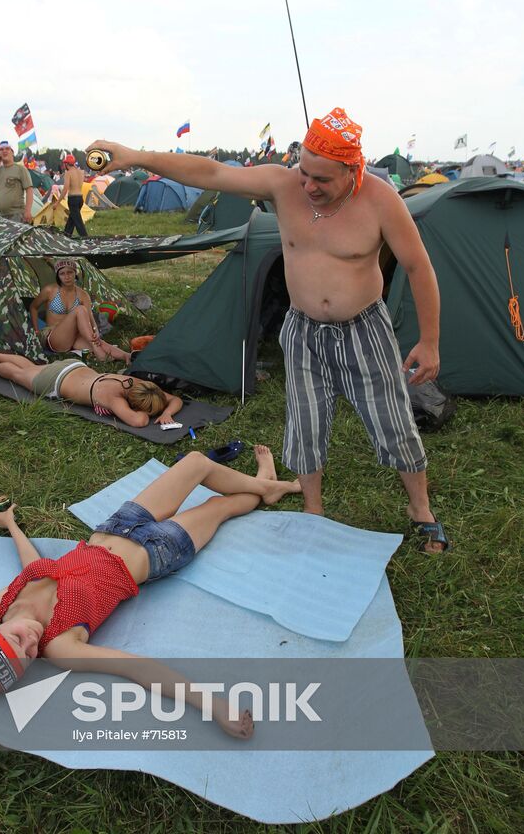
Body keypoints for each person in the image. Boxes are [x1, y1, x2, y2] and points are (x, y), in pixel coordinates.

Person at [87, 109, 448, 553]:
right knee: (305, 421)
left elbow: (418, 266)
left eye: (322, 179)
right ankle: (313, 511)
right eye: (304, 172)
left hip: (364, 329)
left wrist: (429, 341)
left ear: (352, 169)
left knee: (393, 419)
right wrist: (135, 156)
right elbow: (211, 173)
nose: (308, 186)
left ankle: (420, 510)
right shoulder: (283, 185)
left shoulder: (381, 200)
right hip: (303, 330)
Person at [0, 446, 302, 736]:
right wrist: (214, 706)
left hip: (117, 526)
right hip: (159, 550)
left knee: (196, 462)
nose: (31, 642)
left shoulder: (3, 600)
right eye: (28, 656)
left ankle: (265, 486)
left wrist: (11, 525)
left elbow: (31, 568)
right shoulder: (60, 647)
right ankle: (268, 487)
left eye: (18, 639)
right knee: (218, 506)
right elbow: (136, 669)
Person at [0, 347, 182, 427]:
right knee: (16, 374)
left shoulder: (139, 385)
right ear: (134, 404)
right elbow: (139, 421)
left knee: (30, 368)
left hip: (74, 366)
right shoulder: (114, 399)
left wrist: (167, 412)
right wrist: (149, 412)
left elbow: (175, 399)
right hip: (54, 381)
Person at [29, 257, 130, 363]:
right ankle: (99, 354)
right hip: (54, 337)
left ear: (75, 273)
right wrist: (36, 330)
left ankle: (126, 356)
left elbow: (90, 318)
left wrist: (96, 331)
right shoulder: (50, 290)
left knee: (98, 341)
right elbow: (33, 307)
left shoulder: (83, 295)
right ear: (58, 276)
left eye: (70, 272)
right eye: (62, 273)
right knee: (80, 309)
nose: (66, 277)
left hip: (73, 337)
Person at [0, 141, 33, 223]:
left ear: (12, 152)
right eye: (1, 150)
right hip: (2, 216)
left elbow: (29, 190)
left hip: (17, 215)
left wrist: (28, 211)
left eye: (7, 149)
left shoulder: (20, 169)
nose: (4, 151)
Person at [61, 154, 88, 238]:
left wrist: (57, 202)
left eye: (64, 164)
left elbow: (65, 189)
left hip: (73, 199)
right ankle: (66, 235)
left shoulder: (68, 173)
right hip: (80, 198)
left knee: (78, 221)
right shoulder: (81, 172)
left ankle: (86, 238)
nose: (63, 165)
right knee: (72, 219)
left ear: (66, 164)